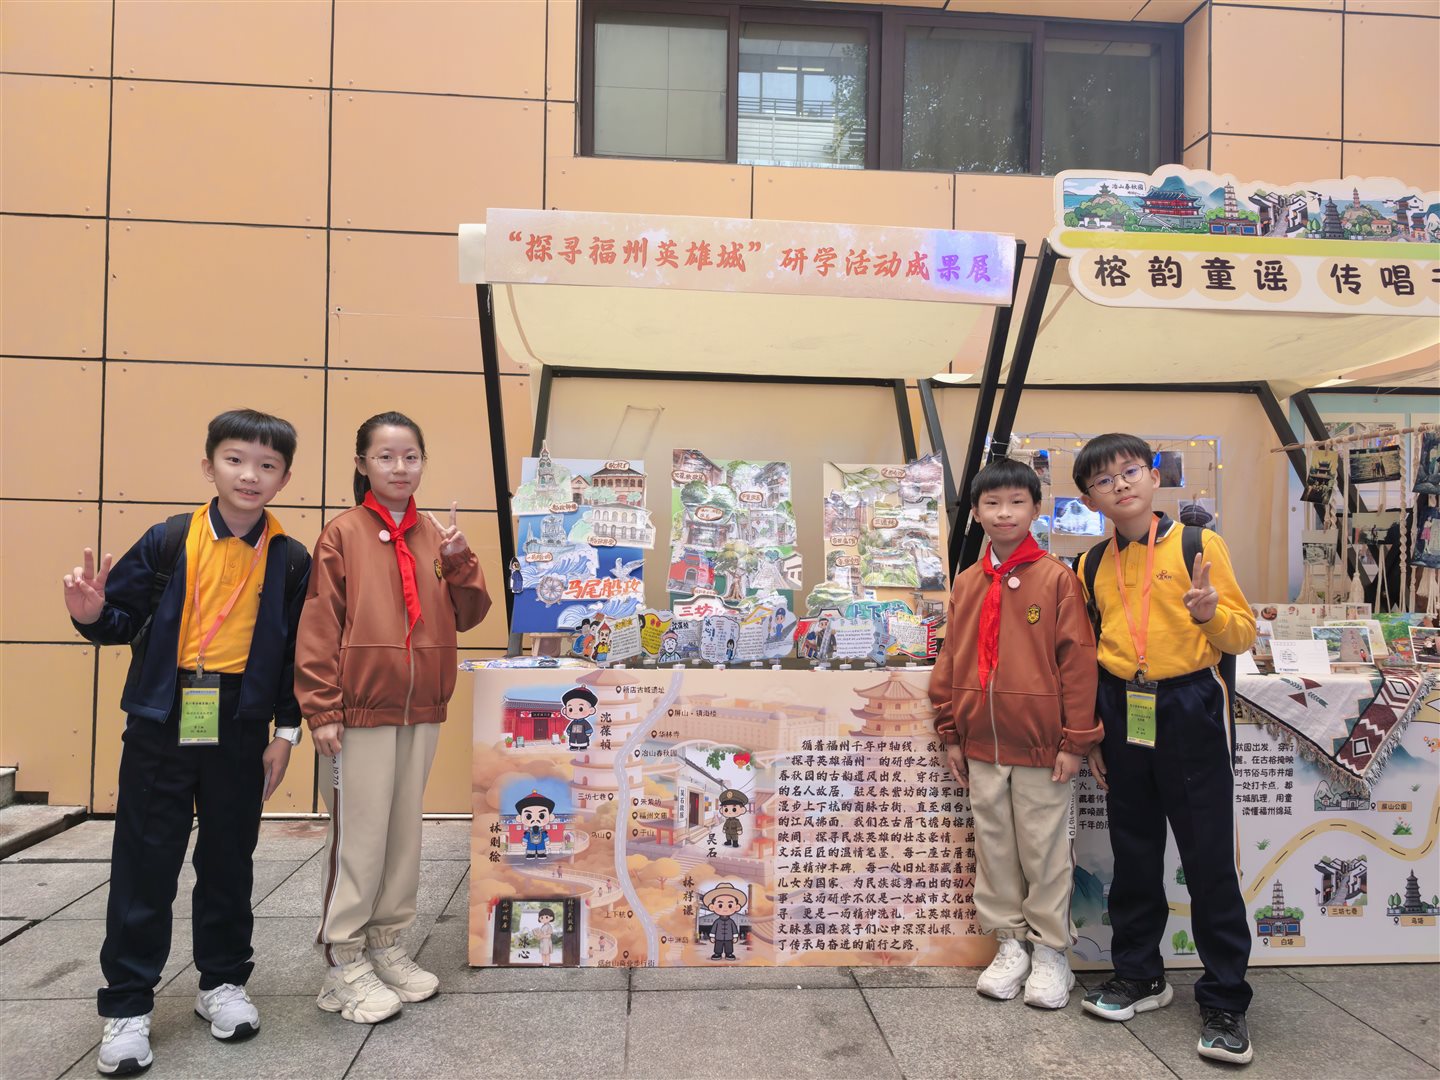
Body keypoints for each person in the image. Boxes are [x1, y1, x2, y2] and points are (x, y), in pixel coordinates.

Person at [64, 409, 311, 1076]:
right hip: (163, 715)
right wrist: (91, 616)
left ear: (284, 478)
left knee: (230, 859)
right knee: (145, 861)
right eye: (235, 460)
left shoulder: (289, 558)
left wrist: (286, 732)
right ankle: (126, 1005)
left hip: (241, 721)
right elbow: (119, 617)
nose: (250, 475)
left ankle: (222, 982)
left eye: (267, 465)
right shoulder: (170, 539)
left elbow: (296, 653)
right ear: (209, 466)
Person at [298, 411, 491, 1025]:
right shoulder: (341, 534)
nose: (399, 467)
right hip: (359, 710)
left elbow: (470, 615)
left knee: (404, 832)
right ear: (362, 464)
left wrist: (461, 561)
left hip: (422, 706)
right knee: (358, 838)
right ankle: (342, 960)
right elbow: (319, 624)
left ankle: (384, 944)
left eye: (411, 456)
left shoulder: (435, 535)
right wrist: (322, 708)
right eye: (385, 456)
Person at [1071, 434, 1257, 1065]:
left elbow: (1241, 633)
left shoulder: (1198, 544)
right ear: (1089, 499)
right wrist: (1094, 731)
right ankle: (1140, 974)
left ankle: (1225, 1000)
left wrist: (1208, 615)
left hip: (1189, 705)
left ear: (1154, 477)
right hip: (1123, 707)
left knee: (1208, 857)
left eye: (1130, 471)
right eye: (1104, 480)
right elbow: (1091, 653)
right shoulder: (1090, 564)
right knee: (1134, 850)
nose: (1120, 485)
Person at [928, 458, 1101, 1010]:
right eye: (993, 503)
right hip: (981, 742)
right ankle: (1009, 945)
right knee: (995, 845)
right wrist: (951, 732)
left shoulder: (1057, 579)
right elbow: (951, 660)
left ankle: (1050, 952)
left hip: (1042, 746)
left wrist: (1075, 740)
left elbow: (1078, 664)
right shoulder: (967, 583)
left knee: (1045, 849)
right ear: (977, 513)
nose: (1005, 513)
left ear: (1036, 509)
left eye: (1017, 502)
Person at [701, 883, 746, 960]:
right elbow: (713, 929)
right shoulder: (717, 921)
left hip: (729, 938)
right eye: (720, 905)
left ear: (737, 907)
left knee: (729, 946)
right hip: (718, 937)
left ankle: (729, 954)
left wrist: (735, 936)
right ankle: (717, 954)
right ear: (712, 907)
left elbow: (734, 929)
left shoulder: (731, 922)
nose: (725, 908)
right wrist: (712, 936)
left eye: (730, 905)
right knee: (718, 946)